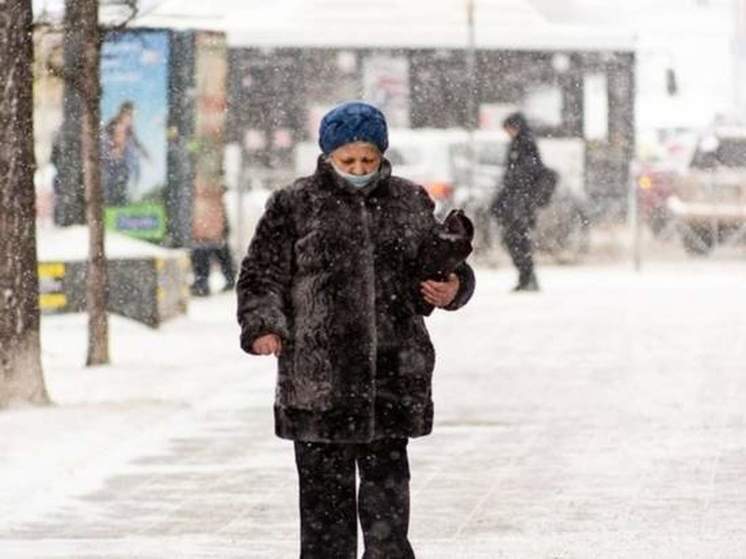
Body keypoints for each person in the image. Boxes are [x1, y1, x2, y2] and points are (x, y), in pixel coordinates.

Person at [236, 101, 475, 559]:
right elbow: (261, 276)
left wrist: (454, 285)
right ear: (327, 156)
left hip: (391, 378)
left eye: (368, 159)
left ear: (382, 155)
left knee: (388, 522)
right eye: (348, 161)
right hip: (319, 384)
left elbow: (438, 267)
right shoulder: (293, 205)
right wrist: (264, 325)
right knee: (326, 525)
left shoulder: (409, 201)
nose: (359, 169)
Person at [492, 112, 543, 292]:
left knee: (517, 240)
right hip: (517, 202)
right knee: (516, 240)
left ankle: (527, 276)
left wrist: (515, 197)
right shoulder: (520, 144)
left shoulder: (524, 144)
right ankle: (526, 276)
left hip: (518, 203)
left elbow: (523, 175)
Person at [101, 101, 149, 206]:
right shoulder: (114, 124)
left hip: (121, 160)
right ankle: (113, 202)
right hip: (111, 160)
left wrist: (145, 154)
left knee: (122, 182)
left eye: (132, 115)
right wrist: (113, 149)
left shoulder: (129, 127)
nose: (132, 117)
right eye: (130, 114)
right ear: (124, 112)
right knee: (112, 183)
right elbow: (106, 140)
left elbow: (136, 142)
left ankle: (119, 202)